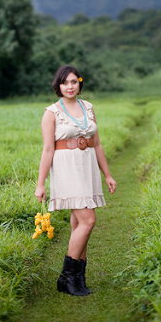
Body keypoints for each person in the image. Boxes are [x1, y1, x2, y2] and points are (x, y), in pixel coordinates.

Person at [34, 65, 117, 296]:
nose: (69, 86)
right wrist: (40, 184)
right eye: (65, 82)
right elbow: (47, 150)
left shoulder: (88, 107)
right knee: (88, 220)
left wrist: (107, 174)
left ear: (79, 83)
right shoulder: (51, 112)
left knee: (79, 224)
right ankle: (66, 277)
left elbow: (97, 144)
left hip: (87, 166)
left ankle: (78, 281)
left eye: (73, 82)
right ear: (58, 86)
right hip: (66, 168)